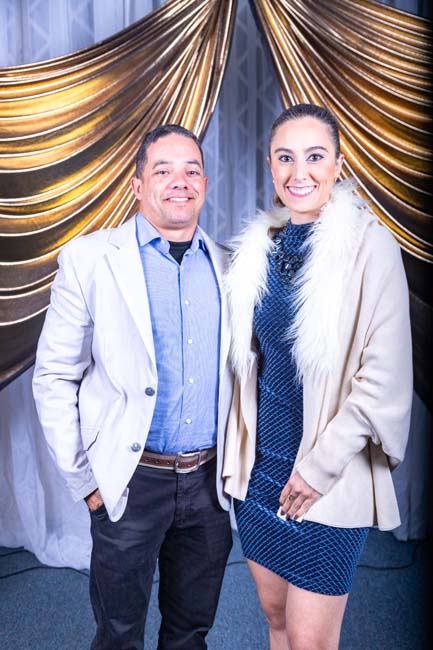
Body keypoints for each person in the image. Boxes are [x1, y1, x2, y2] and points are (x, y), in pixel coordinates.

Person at [32, 124, 234, 650]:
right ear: (137, 185)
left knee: (190, 633)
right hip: (129, 481)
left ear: (204, 184)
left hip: (209, 485)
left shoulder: (231, 264)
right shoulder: (90, 260)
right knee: (119, 634)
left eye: (191, 170)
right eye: (163, 170)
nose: (179, 181)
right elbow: (54, 376)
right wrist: (86, 482)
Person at [223, 104, 412, 650]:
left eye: (314, 156)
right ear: (270, 165)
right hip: (261, 475)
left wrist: (318, 469)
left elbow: (384, 377)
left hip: (327, 476)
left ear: (337, 165)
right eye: (285, 158)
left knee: (310, 640)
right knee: (276, 620)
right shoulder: (258, 251)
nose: (298, 172)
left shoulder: (370, 247)